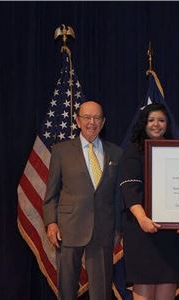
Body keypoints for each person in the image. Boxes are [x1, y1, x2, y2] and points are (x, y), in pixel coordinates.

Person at [43, 100, 123, 300]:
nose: (92, 122)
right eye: (87, 117)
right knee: (67, 288)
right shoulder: (61, 151)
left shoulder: (116, 152)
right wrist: (51, 222)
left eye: (97, 118)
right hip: (68, 228)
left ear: (103, 123)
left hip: (103, 228)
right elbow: (52, 192)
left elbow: (117, 195)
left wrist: (118, 229)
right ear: (77, 121)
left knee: (102, 290)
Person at [119, 103, 179, 300]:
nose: (156, 124)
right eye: (151, 120)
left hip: (170, 234)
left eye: (161, 120)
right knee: (145, 286)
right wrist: (142, 219)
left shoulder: (177, 149)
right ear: (143, 123)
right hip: (142, 230)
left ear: (168, 124)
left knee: (167, 285)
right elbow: (129, 188)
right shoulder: (133, 150)